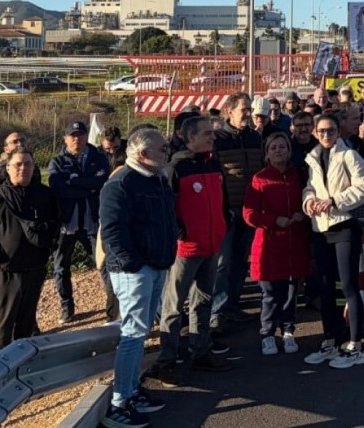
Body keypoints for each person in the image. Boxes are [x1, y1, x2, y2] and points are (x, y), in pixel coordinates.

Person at [99, 128, 178, 428]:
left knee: (141, 333)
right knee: (132, 335)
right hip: (136, 271)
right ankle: (120, 402)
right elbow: (112, 232)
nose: (166, 152)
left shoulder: (156, 179)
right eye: (162, 149)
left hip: (156, 266)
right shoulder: (120, 185)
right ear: (143, 154)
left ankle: (132, 390)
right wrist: (134, 266)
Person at [153, 116, 232, 384]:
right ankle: (167, 359)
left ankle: (200, 350)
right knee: (175, 305)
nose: (212, 137)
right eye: (206, 133)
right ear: (189, 137)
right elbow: (166, 206)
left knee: (204, 300)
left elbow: (223, 200)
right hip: (186, 249)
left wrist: (224, 222)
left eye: (212, 133)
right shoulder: (177, 167)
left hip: (211, 244)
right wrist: (179, 230)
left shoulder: (213, 163)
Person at [302, 114, 364, 369]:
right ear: (314, 133)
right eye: (321, 131)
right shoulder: (312, 158)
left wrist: (335, 201)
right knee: (324, 288)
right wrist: (308, 201)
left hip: (344, 225)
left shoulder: (349, 155)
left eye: (331, 131)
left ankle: (355, 343)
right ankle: (331, 338)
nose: (326, 135)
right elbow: (310, 187)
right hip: (320, 227)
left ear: (338, 132)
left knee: (348, 286)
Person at [0, 148, 59, 352]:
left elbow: (56, 224)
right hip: (6, 272)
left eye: (28, 164)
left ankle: (22, 369)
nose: (23, 168)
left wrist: (47, 246)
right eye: (18, 164)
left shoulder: (45, 196)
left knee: (27, 324)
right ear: (8, 168)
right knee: (2, 328)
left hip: (35, 270)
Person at [244, 132, 312, 355]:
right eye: (273, 147)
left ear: (289, 150)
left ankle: (289, 329)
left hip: (295, 242)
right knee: (271, 293)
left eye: (282, 147)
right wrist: (273, 220)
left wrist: (303, 213)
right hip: (270, 245)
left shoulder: (299, 175)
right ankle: (267, 332)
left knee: (292, 291)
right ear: (267, 152)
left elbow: (308, 198)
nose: (278, 151)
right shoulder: (259, 178)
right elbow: (249, 213)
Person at [48, 121, 111, 323]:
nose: (77, 139)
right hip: (67, 224)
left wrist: (74, 181)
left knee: (104, 264)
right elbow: (58, 189)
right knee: (60, 267)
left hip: (92, 221)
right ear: (65, 138)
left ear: (86, 137)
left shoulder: (99, 158)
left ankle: (113, 306)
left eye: (81, 135)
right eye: (72, 135)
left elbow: (102, 183)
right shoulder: (57, 162)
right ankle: (66, 307)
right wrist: (87, 187)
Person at [212, 93, 265, 327]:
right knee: (222, 263)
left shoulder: (255, 138)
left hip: (250, 209)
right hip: (227, 210)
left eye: (249, 109)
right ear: (229, 111)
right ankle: (217, 311)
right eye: (244, 109)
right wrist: (222, 206)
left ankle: (232, 305)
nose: (248, 113)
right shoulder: (217, 139)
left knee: (241, 261)